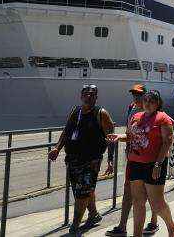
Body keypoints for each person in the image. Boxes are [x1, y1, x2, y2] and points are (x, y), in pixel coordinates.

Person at [108, 90, 174, 237]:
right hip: (135, 163)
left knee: (157, 204)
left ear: (157, 103)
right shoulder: (136, 116)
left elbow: (167, 142)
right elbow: (130, 136)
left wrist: (158, 164)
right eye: (146, 100)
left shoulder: (163, 118)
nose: (147, 103)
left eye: (152, 101)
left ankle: (172, 227)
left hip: (153, 164)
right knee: (138, 202)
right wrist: (118, 136)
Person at [48, 85, 115, 236]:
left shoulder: (101, 113)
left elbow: (111, 138)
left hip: (91, 161)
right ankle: (94, 215)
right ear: (81, 96)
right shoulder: (75, 111)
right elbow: (67, 131)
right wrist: (57, 148)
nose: (89, 97)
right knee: (83, 190)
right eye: (86, 94)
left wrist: (110, 160)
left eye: (92, 94)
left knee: (82, 194)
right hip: (72, 160)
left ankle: (75, 226)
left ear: (96, 97)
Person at [106, 84, 159, 236]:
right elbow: (130, 133)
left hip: (148, 159)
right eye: (134, 94)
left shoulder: (151, 111)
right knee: (128, 191)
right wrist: (120, 138)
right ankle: (122, 226)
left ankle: (154, 222)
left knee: (151, 193)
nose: (136, 97)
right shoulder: (131, 108)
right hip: (132, 156)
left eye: (139, 95)